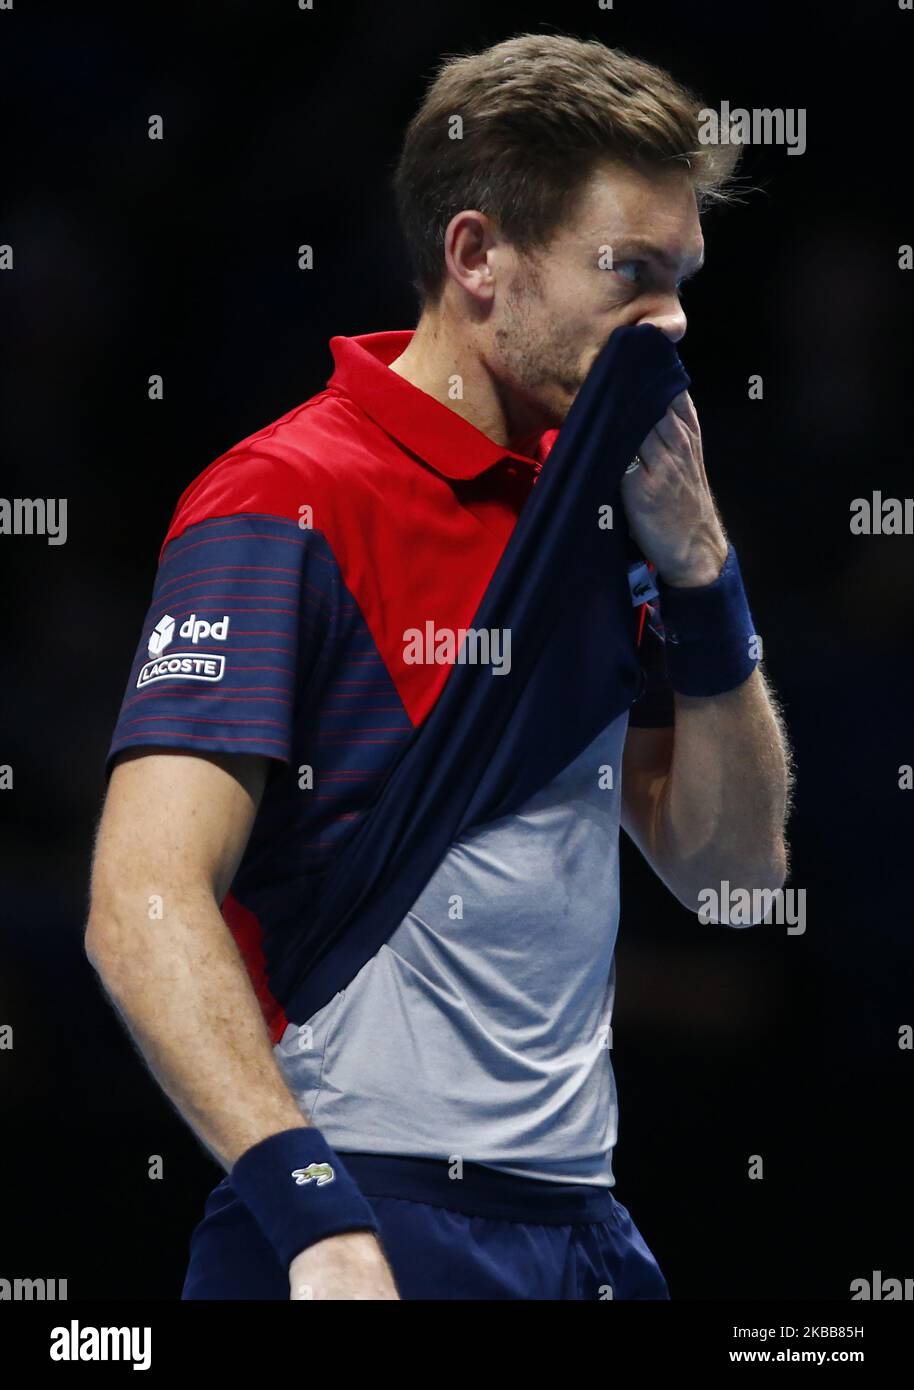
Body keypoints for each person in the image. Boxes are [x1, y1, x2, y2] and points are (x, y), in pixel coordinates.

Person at [85, 33, 792, 1301]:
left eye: (681, 279)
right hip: (361, 1216)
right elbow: (141, 904)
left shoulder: (606, 511)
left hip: (584, 1226)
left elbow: (732, 875)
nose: (673, 322)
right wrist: (314, 1217)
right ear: (475, 257)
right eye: (628, 272)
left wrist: (704, 578)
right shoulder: (281, 499)